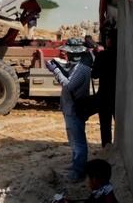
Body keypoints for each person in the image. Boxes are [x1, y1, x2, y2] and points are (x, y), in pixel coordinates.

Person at [46, 39, 93, 182]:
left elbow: (68, 86)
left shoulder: (82, 69)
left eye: (68, 53)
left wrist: (56, 71)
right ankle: (75, 165)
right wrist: (58, 67)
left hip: (75, 110)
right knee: (73, 140)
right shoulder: (76, 66)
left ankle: (78, 172)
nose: (66, 55)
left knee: (78, 142)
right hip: (70, 108)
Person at [91, 29, 117, 147]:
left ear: (109, 41)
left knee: (105, 126)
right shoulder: (121, 55)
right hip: (118, 96)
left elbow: (94, 75)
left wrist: (96, 57)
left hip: (104, 95)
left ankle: (107, 148)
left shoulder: (103, 55)